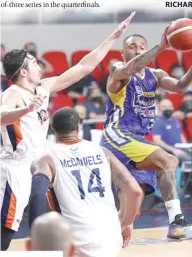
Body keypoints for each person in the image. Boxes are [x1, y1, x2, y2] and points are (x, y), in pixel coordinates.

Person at [0, 11, 135, 251]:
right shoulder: (13, 94)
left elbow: (84, 67)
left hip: (41, 162)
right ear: (22, 71)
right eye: (33, 63)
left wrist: (113, 37)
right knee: (5, 233)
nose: (39, 66)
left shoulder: (43, 87)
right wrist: (24, 111)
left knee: (59, 216)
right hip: (16, 168)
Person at [100, 29, 192, 239]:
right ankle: (177, 224)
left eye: (141, 47)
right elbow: (132, 67)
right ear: (123, 53)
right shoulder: (118, 70)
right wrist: (161, 46)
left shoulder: (155, 75)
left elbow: (179, 87)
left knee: (133, 202)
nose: (137, 50)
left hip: (137, 140)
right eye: (132, 47)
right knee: (169, 160)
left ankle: (103, 234)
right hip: (118, 135)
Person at [28, 107, 142, 257]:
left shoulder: (46, 159)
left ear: (52, 127)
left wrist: (36, 239)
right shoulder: (103, 152)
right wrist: (127, 221)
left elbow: (37, 194)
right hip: (110, 240)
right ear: (77, 127)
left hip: (75, 244)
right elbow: (136, 191)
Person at [152, 99, 191, 164]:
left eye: (170, 106)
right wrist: (173, 150)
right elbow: (157, 140)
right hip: (169, 151)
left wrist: (187, 147)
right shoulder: (158, 122)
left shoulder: (175, 120)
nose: (168, 108)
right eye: (164, 107)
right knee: (190, 160)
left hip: (181, 148)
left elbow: (181, 135)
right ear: (159, 109)